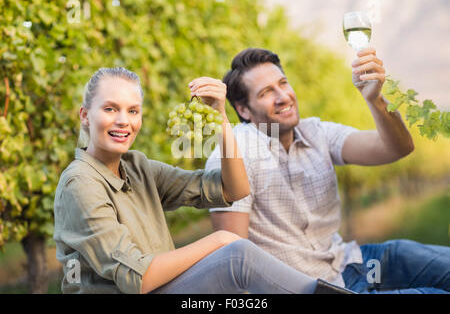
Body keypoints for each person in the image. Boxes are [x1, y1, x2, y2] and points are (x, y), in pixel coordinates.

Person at [53, 67, 354, 294]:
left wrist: (221, 120)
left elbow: (234, 189)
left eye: (133, 111)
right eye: (110, 109)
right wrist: (221, 240)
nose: (124, 121)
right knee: (237, 256)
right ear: (85, 115)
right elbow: (138, 278)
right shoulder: (79, 184)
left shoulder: (138, 167)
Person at [206, 48, 450, 294]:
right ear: (244, 110)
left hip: (353, 262)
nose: (283, 97)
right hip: (314, 288)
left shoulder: (317, 132)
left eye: (283, 83)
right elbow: (234, 258)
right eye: (266, 92)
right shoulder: (233, 156)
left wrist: (374, 99)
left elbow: (397, 148)